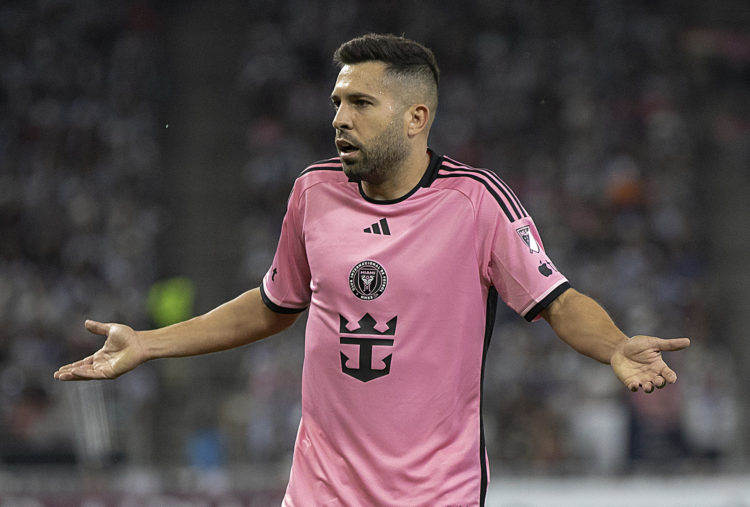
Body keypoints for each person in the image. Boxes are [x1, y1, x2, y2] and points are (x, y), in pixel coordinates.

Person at [55, 33, 691, 506]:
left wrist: (614, 346)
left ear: (416, 118)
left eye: (361, 103)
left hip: (436, 493)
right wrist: (148, 343)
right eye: (337, 102)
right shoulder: (312, 191)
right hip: (319, 490)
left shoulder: (476, 201)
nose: (338, 119)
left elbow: (557, 299)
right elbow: (275, 304)